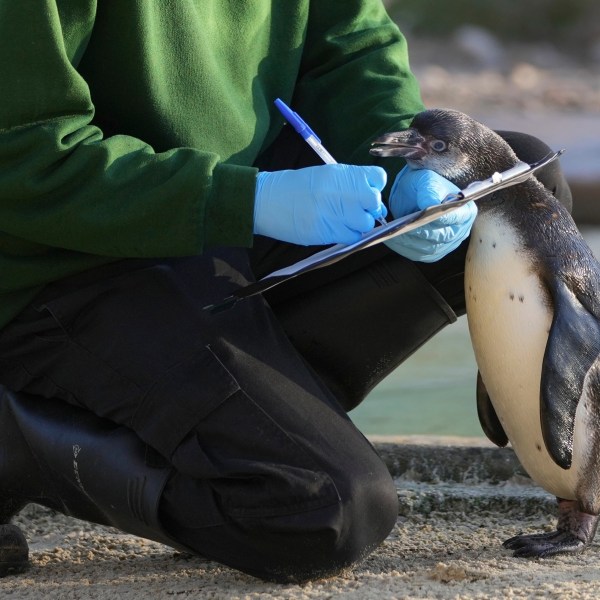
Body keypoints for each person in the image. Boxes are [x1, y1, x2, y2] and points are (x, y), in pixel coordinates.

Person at [0, 1, 571, 583]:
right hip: (68, 263)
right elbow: (23, 153)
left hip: (229, 226)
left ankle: (576, 481)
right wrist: (245, 201)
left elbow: (349, 47)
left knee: (512, 188)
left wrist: (408, 166)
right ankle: (14, 444)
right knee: (321, 512)